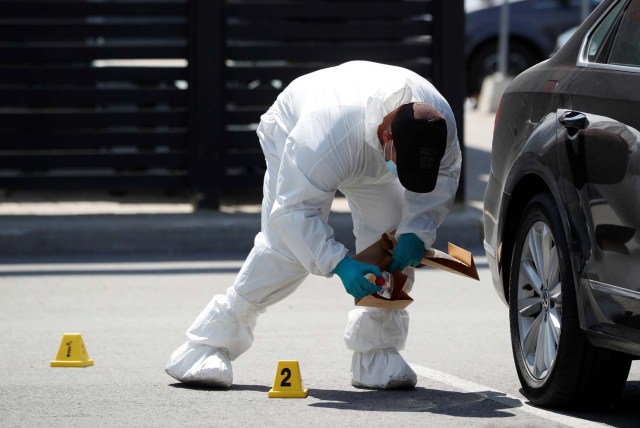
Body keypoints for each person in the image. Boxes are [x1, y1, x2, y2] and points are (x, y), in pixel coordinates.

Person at [165, 61, 462, 390]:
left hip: (367, 146)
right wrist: (338, 264)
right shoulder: (322, 134)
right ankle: (206, 345)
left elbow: (443, 177)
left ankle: (376, 355)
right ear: (388, 135)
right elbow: (293, 212)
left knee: (387, 244)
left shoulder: (438, 124)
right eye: (401, 165)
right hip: (297, 127)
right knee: (287, 251)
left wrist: (416, 231)